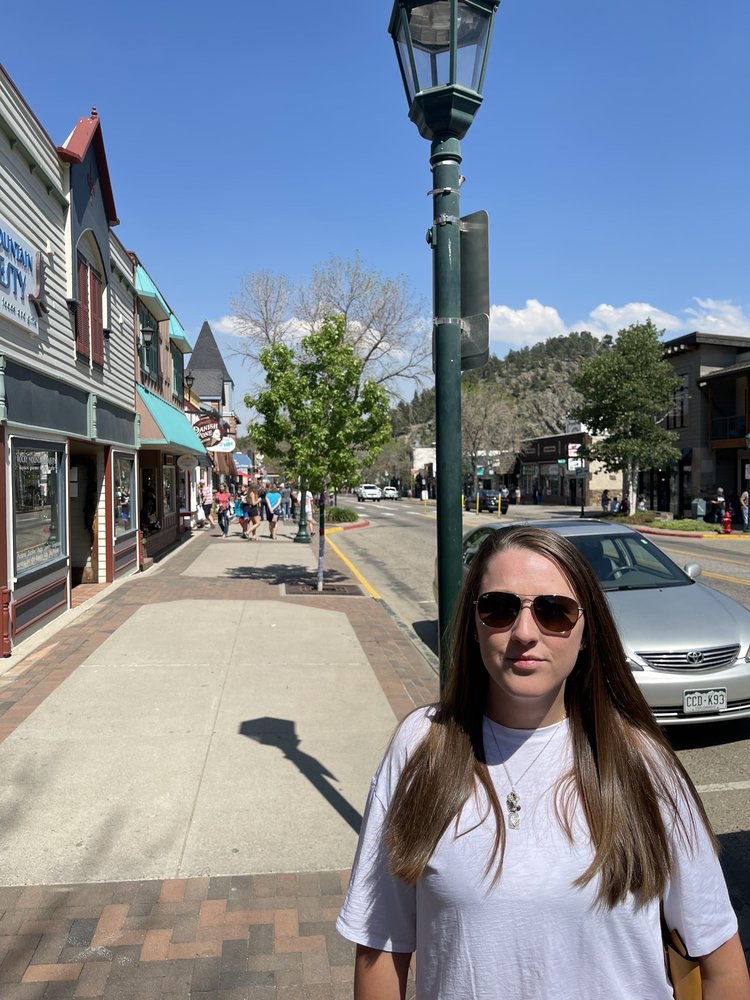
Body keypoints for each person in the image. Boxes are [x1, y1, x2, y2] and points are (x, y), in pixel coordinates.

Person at [337, 525, 750, 1000]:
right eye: (499, 608)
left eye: (555, 611)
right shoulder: (420, 747)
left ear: (587, 632)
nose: (524, 633)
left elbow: (720, 962)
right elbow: (380, 946)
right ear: (473, 624)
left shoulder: (643, 763)